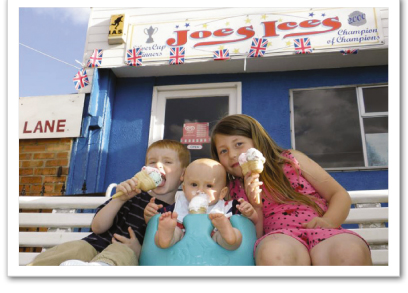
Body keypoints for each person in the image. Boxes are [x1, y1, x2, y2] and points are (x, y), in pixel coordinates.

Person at [210, 114, 372, 266]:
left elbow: (338, 194)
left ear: (257, 141)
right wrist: (255, 205)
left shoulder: (291, 160)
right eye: (223, 151)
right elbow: (253, 236)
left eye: (239, 144)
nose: (232, 154)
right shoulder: (231, 191)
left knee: (350, 251)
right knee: (273, 253)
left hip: (323, 231)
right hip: (279, 237)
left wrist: (329, 220)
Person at [27, 139, 190, 266]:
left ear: (183, 174)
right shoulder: (131, 194)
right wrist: (119, 199)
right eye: (152, 162)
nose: (158, 165)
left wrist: (139, 250)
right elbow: (97, 227)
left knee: (121, 251)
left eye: (167, 162)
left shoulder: (178, 212)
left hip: (128, 257)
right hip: (94, 245)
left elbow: (166, 254)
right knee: (77, 247)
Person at [145, 158, 258, 251]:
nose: (200, 190)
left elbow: (251, 222)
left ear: (222, 193)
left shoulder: (230, 207)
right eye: (194, 184)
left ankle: (228, 236)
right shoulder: (175, 209)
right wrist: (150, 216)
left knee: (233, 235)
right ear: (184, 189)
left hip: (216, 239)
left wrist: (250, 213)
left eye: (209, 186)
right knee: (174, 230)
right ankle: (166, 238)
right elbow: (154, 224)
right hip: (182, 242)